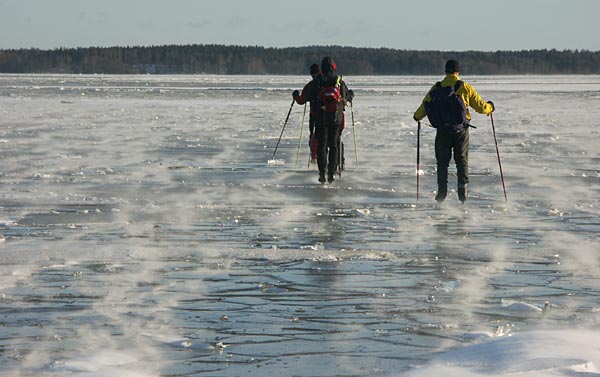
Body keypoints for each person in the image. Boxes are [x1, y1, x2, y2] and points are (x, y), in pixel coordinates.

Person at [413, 59, 495, 203]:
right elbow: (481, 107)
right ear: (458, 71)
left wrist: (417, 117)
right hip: (461, 131)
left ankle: (442, 191)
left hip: (442, 131)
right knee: (461, 160)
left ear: (446, 71)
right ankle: (462, 189)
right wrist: (490, 107)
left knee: (442, 162)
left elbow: (423, 108)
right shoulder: (464, 87)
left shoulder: (437, 87)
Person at [314, 56, 353, 183]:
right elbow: (347, 97)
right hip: (336, 119)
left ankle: (322, 173)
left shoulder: (318, 80)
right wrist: (351, 95)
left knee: (322, 146)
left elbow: (308, 96)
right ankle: (331, 173)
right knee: (334, 146)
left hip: (321, 118)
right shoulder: (339, 81)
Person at [292, 63, 321, 164]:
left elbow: (302, 100)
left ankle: (315, 158)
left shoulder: (311, 85)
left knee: (314, 137)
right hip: (331, 116)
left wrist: (295, 96)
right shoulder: (331, 82)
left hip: (315, 116)